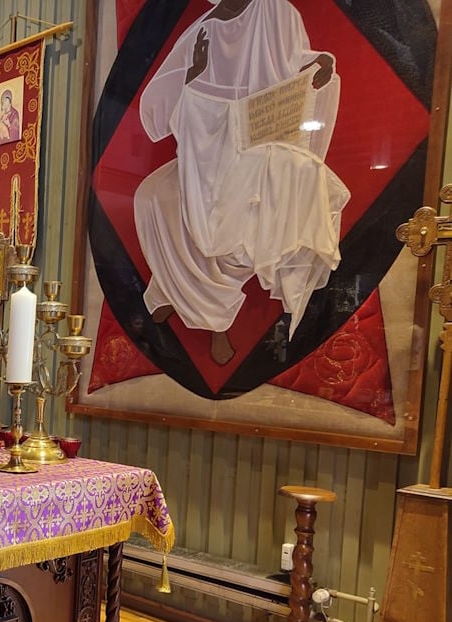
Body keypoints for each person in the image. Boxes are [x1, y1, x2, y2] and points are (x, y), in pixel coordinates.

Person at [133, 0, 349, 365]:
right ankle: (173, 292)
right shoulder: (204, 28)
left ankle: (214, 319)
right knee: (150, 196)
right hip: (206, 152)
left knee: (239, 221)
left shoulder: (279, 13)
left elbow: (291, 65)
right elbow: (156, 111)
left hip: (265, 150)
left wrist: (319, 64)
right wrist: (192, 74)